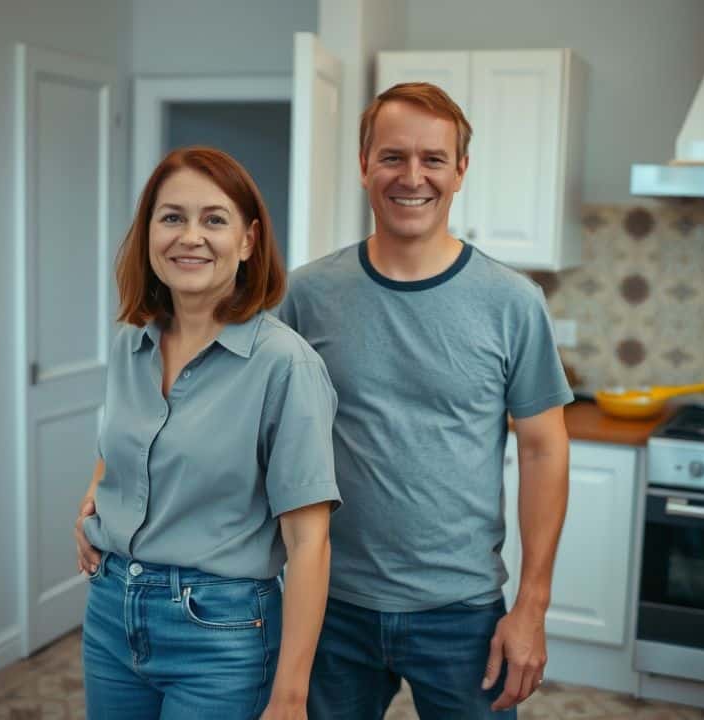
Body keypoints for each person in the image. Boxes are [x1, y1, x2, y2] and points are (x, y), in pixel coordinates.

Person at [277, 83, 573, 719]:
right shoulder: (306, 295)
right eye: (392, 156)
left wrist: (532, 606)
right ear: (363, 165)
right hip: (331, 603)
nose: (413, 177)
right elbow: (253, 430)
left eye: (433, 159)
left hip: (463, 614)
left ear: (461, 171)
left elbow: (546, 450)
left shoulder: (512, 302)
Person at [73, 146, 340, 719]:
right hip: (111, 614)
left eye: (213, 219)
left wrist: (291, 696)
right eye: (172, 217)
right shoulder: (131, 341)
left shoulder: (284, 366)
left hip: (221, 632)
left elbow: (309, 541)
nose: (190, 236)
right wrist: (94, 503)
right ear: (148, 234)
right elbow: (116, 447)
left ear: (247, 240)